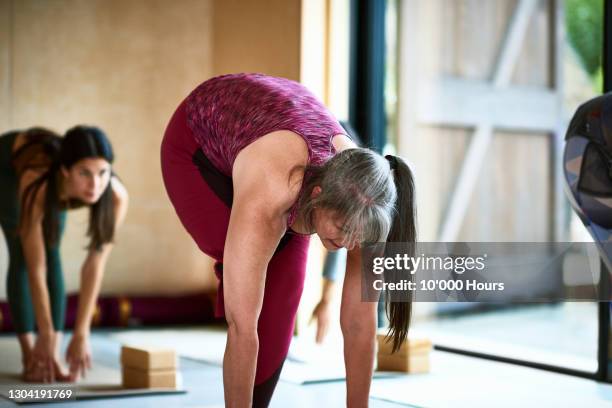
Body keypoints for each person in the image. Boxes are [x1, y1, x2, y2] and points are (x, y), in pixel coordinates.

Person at [160, 72, 416, 407]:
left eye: (359, 235)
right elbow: (243, 330)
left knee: (280, 306)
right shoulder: (274, 192)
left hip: (278, 140)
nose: (350, 242)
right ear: (318, 195)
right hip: (197, 144)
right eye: (342, 228)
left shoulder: (370, 201)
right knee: (247, 295)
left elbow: (358, 324)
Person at [0, 126, 128, 383]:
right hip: (6, 166)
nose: (95, 185)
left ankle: (52, 355)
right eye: (85, 173)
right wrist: (42, 335)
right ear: (66, 171)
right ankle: (31, 356)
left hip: (53, 178)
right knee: (22, 255)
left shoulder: (115, 195)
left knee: (52, 249)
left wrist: (82, 332)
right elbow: (36, 269)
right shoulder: (35, 182)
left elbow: (95, 264)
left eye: (103, 172)